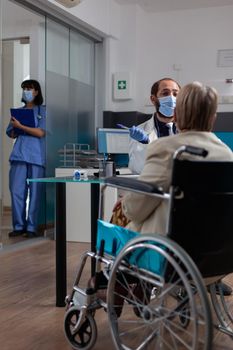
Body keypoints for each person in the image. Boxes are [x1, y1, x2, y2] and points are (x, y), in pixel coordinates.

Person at [122, 81, 233, 296]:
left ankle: (116, 279)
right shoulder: (227, 155)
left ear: (178, 114)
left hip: (170, 254)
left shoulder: (169, 150)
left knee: (130, 212)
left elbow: (134, 209)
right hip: (219, 254)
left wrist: (126, 205)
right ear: (213, 118)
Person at [6, 79, 46, 238]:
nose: (26, 92)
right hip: (19, 155)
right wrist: (15, 126)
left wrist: (22, 126)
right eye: (24, 89)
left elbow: (41, 133)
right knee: (16, 191)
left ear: (36, 91)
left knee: (35, 193)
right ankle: (19, 226)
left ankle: (31, 227)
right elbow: (11, 133)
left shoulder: (43, 111)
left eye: (29, 89)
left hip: (37, 157)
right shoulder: (18, 112)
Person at [128, 77, 181, 174]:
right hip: (153, 185)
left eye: (175, 94)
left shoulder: (190, 130)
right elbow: (136, 169)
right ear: (153, 99)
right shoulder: (140, 131)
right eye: (165, 93)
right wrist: (143, 144)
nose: (171, 98)